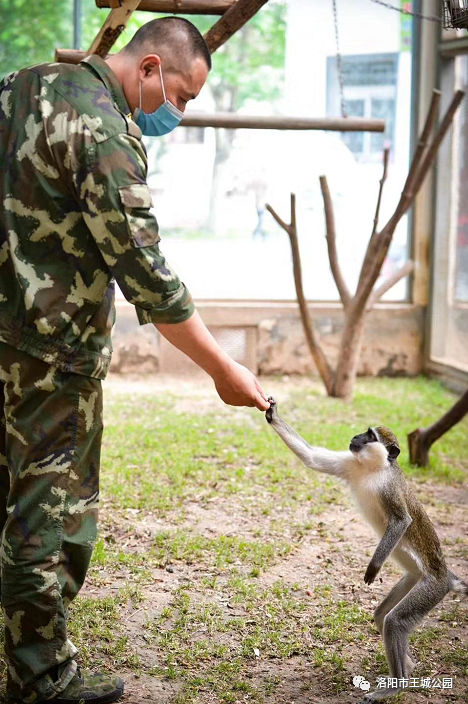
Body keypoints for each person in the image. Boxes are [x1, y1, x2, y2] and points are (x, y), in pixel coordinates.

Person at [0, 16, 269, 704]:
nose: (176, 112)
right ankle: (42, 681)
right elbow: (147, 274)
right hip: (51, 354)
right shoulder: (107, 136)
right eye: (181, 94)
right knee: (47, 514)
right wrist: (223, 369)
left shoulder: (19, 85)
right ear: (149, 68)